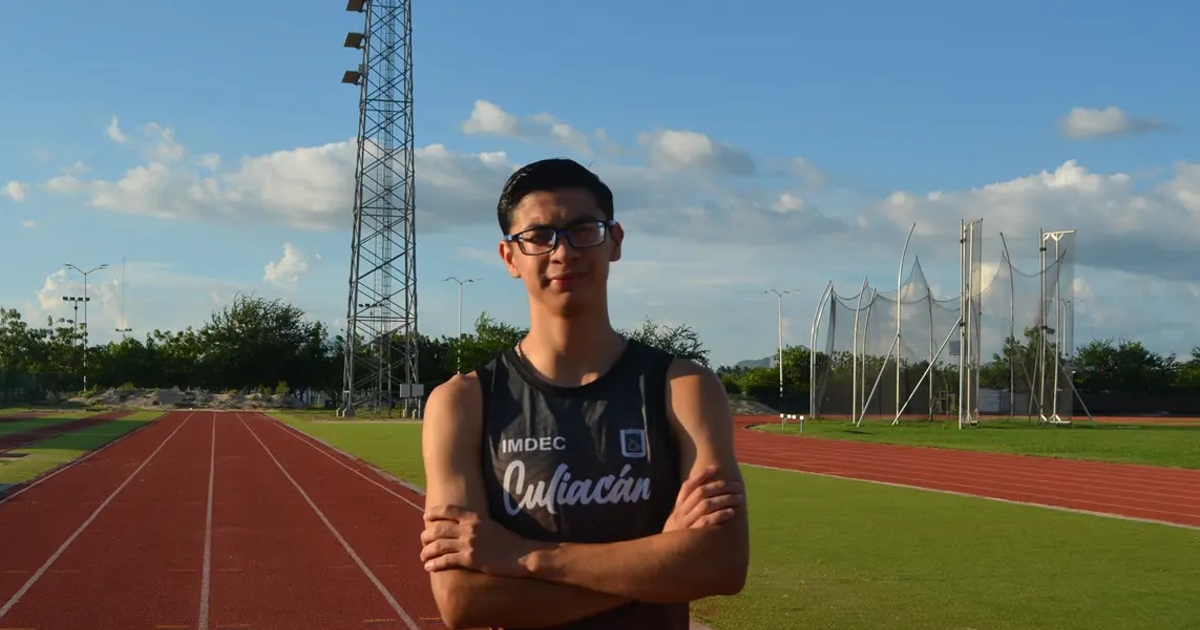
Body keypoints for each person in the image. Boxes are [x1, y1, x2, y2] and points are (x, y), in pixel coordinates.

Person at [419, 158, 750, 630]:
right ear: (509, 257)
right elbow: (464, 600)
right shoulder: (463, 402)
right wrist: (658, 562)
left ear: (614, 241)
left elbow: (721, 564)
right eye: (538, 236)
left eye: (584, 229)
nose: (563, 252)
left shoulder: (683, 388)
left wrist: (522, 557)